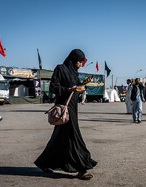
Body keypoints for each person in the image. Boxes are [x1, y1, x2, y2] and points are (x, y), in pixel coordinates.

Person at [34, 49, 97, 180]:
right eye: (80, 61)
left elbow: (75, 88)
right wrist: (69, 89)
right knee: (74, 136)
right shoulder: (61, 68)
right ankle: (82, 169)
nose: (80, 64)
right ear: (74, 59)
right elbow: (53, 87)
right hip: (64, 108)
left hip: (72, 108)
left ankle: (44, 163)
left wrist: (82, 84)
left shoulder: (74, 72)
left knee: (59, 137)